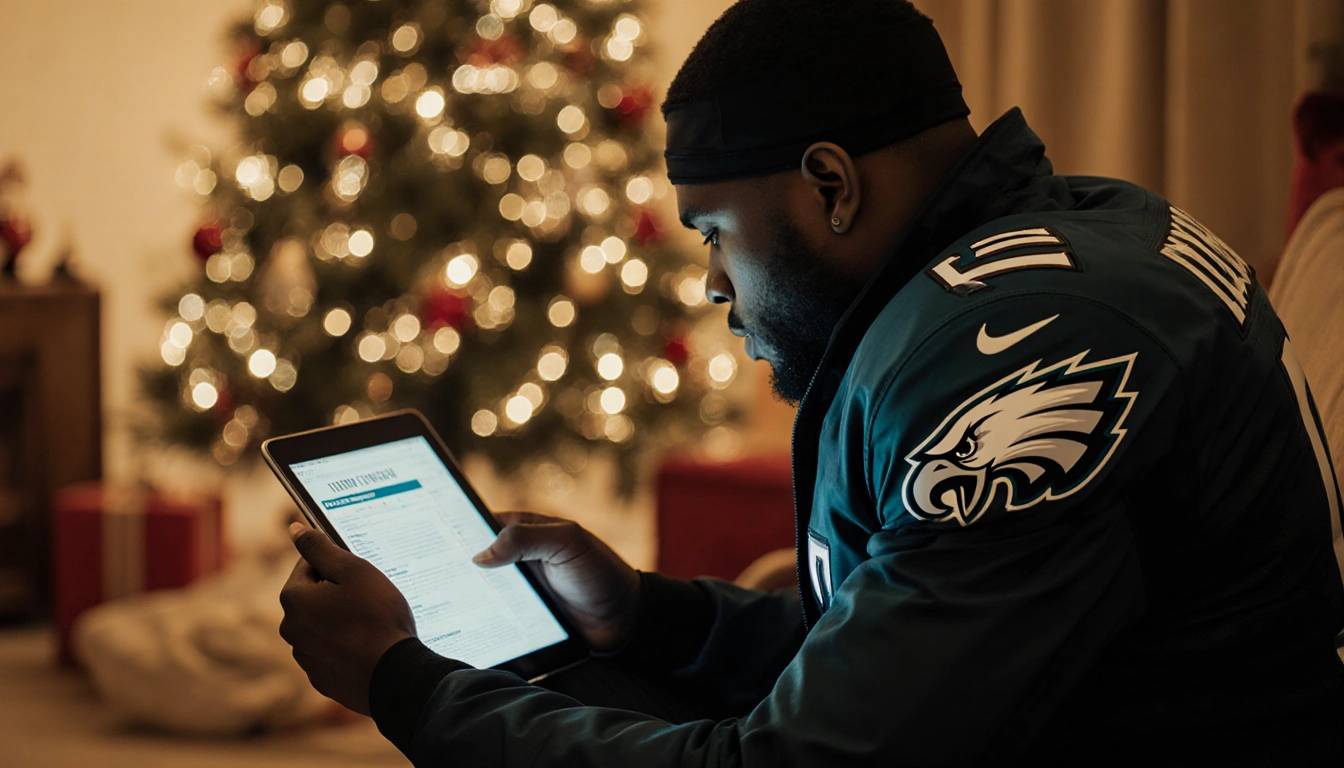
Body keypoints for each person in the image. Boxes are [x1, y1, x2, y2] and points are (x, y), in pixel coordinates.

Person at [278, 0, 1344, 763]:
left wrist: (400, 681)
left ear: (831, 185)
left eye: (715, 234)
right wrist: (651, 616)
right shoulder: (1073, 235)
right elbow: (919, 647)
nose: (710, 283)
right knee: (587, 683)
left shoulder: (1023, 347)